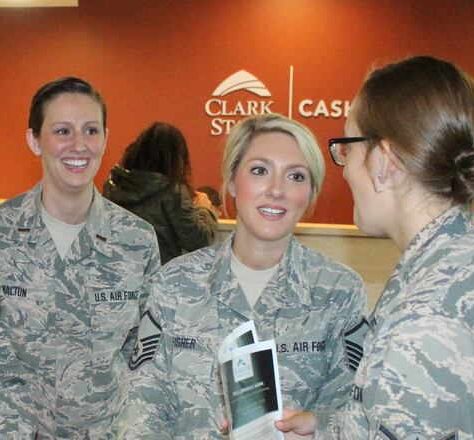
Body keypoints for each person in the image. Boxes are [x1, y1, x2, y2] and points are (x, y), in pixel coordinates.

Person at [276, 56, 474, 439]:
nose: (345, 167)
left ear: (384, 162)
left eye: (347, 148)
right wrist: (326, 428)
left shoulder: (427, 321)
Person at [117, 113, 367, 438]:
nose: (277, 190)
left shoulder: (339, 292)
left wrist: (318, 428)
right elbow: (142, 407)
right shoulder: (176, 284)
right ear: (233, 181)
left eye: (296, 176)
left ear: (310, 193)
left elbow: (359, 413)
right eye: (260, 170)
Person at [0, 77, 161, 438]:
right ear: (34, 140)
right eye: (62, 131)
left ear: (105, 138)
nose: (79, 145)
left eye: (91, 131)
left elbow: (147, 356)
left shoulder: (136, 240)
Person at [103, 122, 218, 264]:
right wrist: (204, 208)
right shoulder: (173, 191)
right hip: (157, 276)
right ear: (176, 158)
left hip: (117, 272)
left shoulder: (114, 184)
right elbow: (198, 240)